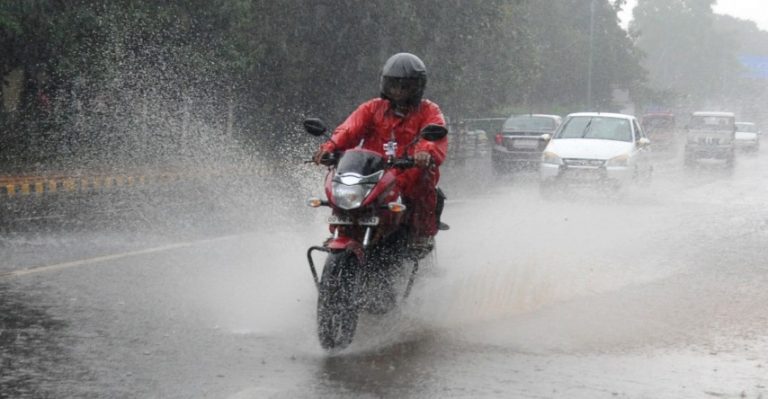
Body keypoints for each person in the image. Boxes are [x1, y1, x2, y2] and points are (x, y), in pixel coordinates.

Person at [313, 52, 448, 248]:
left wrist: (425, 153)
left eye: (405, 86)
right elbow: (349, 129)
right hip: (370, 173)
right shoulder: (372, 108)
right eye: (394, 85)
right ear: (385, 84)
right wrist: (330, 147)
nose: (399, 91)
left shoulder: (429, 111)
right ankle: (339, 232)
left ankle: (422, 235)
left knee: (424, 181)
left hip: (407, 172)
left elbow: (434, 137)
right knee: (342, 186)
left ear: (418, 86)